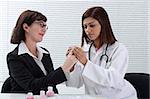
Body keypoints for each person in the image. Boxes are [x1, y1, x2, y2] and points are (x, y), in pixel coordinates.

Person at [65, 6, 137, 99]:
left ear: (103, 24)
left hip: (121, 96)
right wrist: (72, 66)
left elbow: (113, 79)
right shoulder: (85, 51)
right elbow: (75, 83)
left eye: (92, 25)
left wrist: (86, 63)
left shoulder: (119, 49)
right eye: (85, 27)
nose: (87, 30)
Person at [3, 10, 76, 95]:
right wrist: (64, 69)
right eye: (41, 24)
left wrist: (69, 67)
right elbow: (32, 86)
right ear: (26, 27)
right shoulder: (14, 57)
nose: (44, 29)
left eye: (45, 26)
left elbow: (51, 82)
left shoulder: (45, 53)